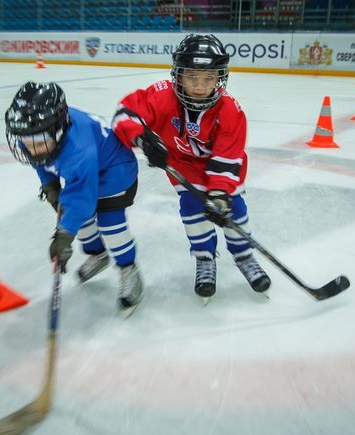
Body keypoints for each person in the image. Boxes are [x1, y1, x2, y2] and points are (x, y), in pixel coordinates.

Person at [111, 33, 271, 301]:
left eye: (208, 78)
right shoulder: (161, 95)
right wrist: (141, 138)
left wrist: (219, 194)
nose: (199, 85)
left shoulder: (230, 110)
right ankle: (205, 259)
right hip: (183, 166)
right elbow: (124, 113)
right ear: (178, 75)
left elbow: (228, 156)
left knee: (234, 208)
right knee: (192, 209)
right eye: (192, 77)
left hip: (222, 170)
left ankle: (244, 255)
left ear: (220, 78)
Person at [5, 81, 143, 312]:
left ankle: (129, 268)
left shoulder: (78, 149)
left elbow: (81, 197)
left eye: (38, 142)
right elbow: (39, 160)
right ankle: (98, 255)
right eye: (26, 141)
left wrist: (63, 236)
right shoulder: (36, 131)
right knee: (78, 219)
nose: (32, 148)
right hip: (86, 171)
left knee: (109, 223)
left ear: (58, 129)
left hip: (116, 170)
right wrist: (50, 186)